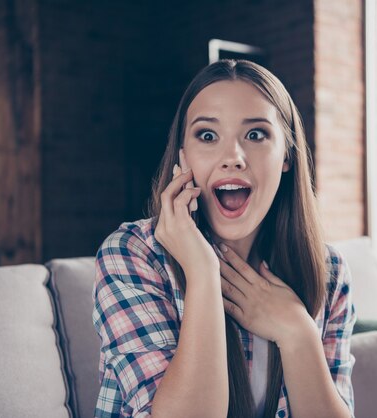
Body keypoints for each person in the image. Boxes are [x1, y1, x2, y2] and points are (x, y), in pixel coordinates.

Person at [92, 59, 357, 418]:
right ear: (183, 158)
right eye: (207, 135)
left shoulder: (329, 271)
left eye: (255, 135)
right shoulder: (131, 255)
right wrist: (202, 273)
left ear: (287, 156)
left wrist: (298, 333)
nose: (233, 157)